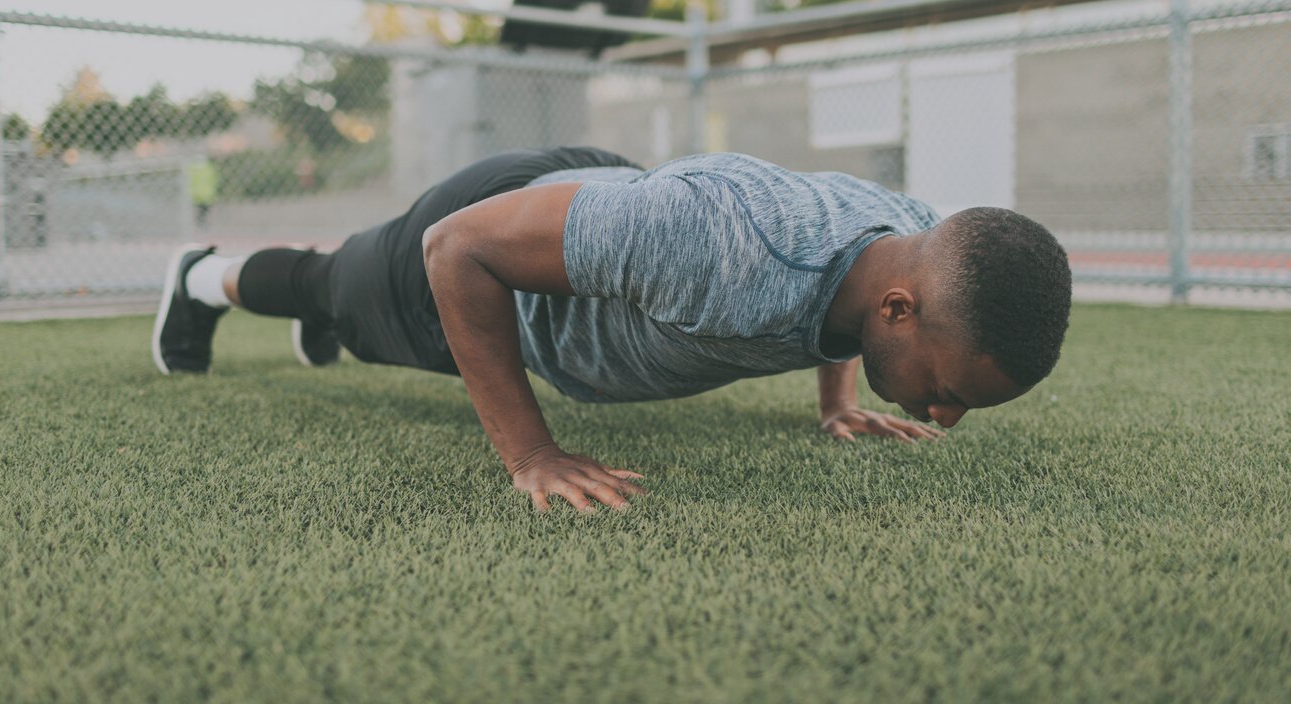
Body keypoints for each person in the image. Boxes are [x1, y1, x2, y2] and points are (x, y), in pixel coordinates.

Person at [153, 146, 1072, 514]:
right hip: (491, 236)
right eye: (947, 391)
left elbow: (844, 293)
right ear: (902, 312)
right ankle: (200, 277)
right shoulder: (717, 247)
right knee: (339, 284)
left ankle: (335, 305)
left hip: (607, 213)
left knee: (349, 300)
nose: (944, 416)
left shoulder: (905, 243)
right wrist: (532, 455)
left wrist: (839, 401)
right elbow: (456, 250)